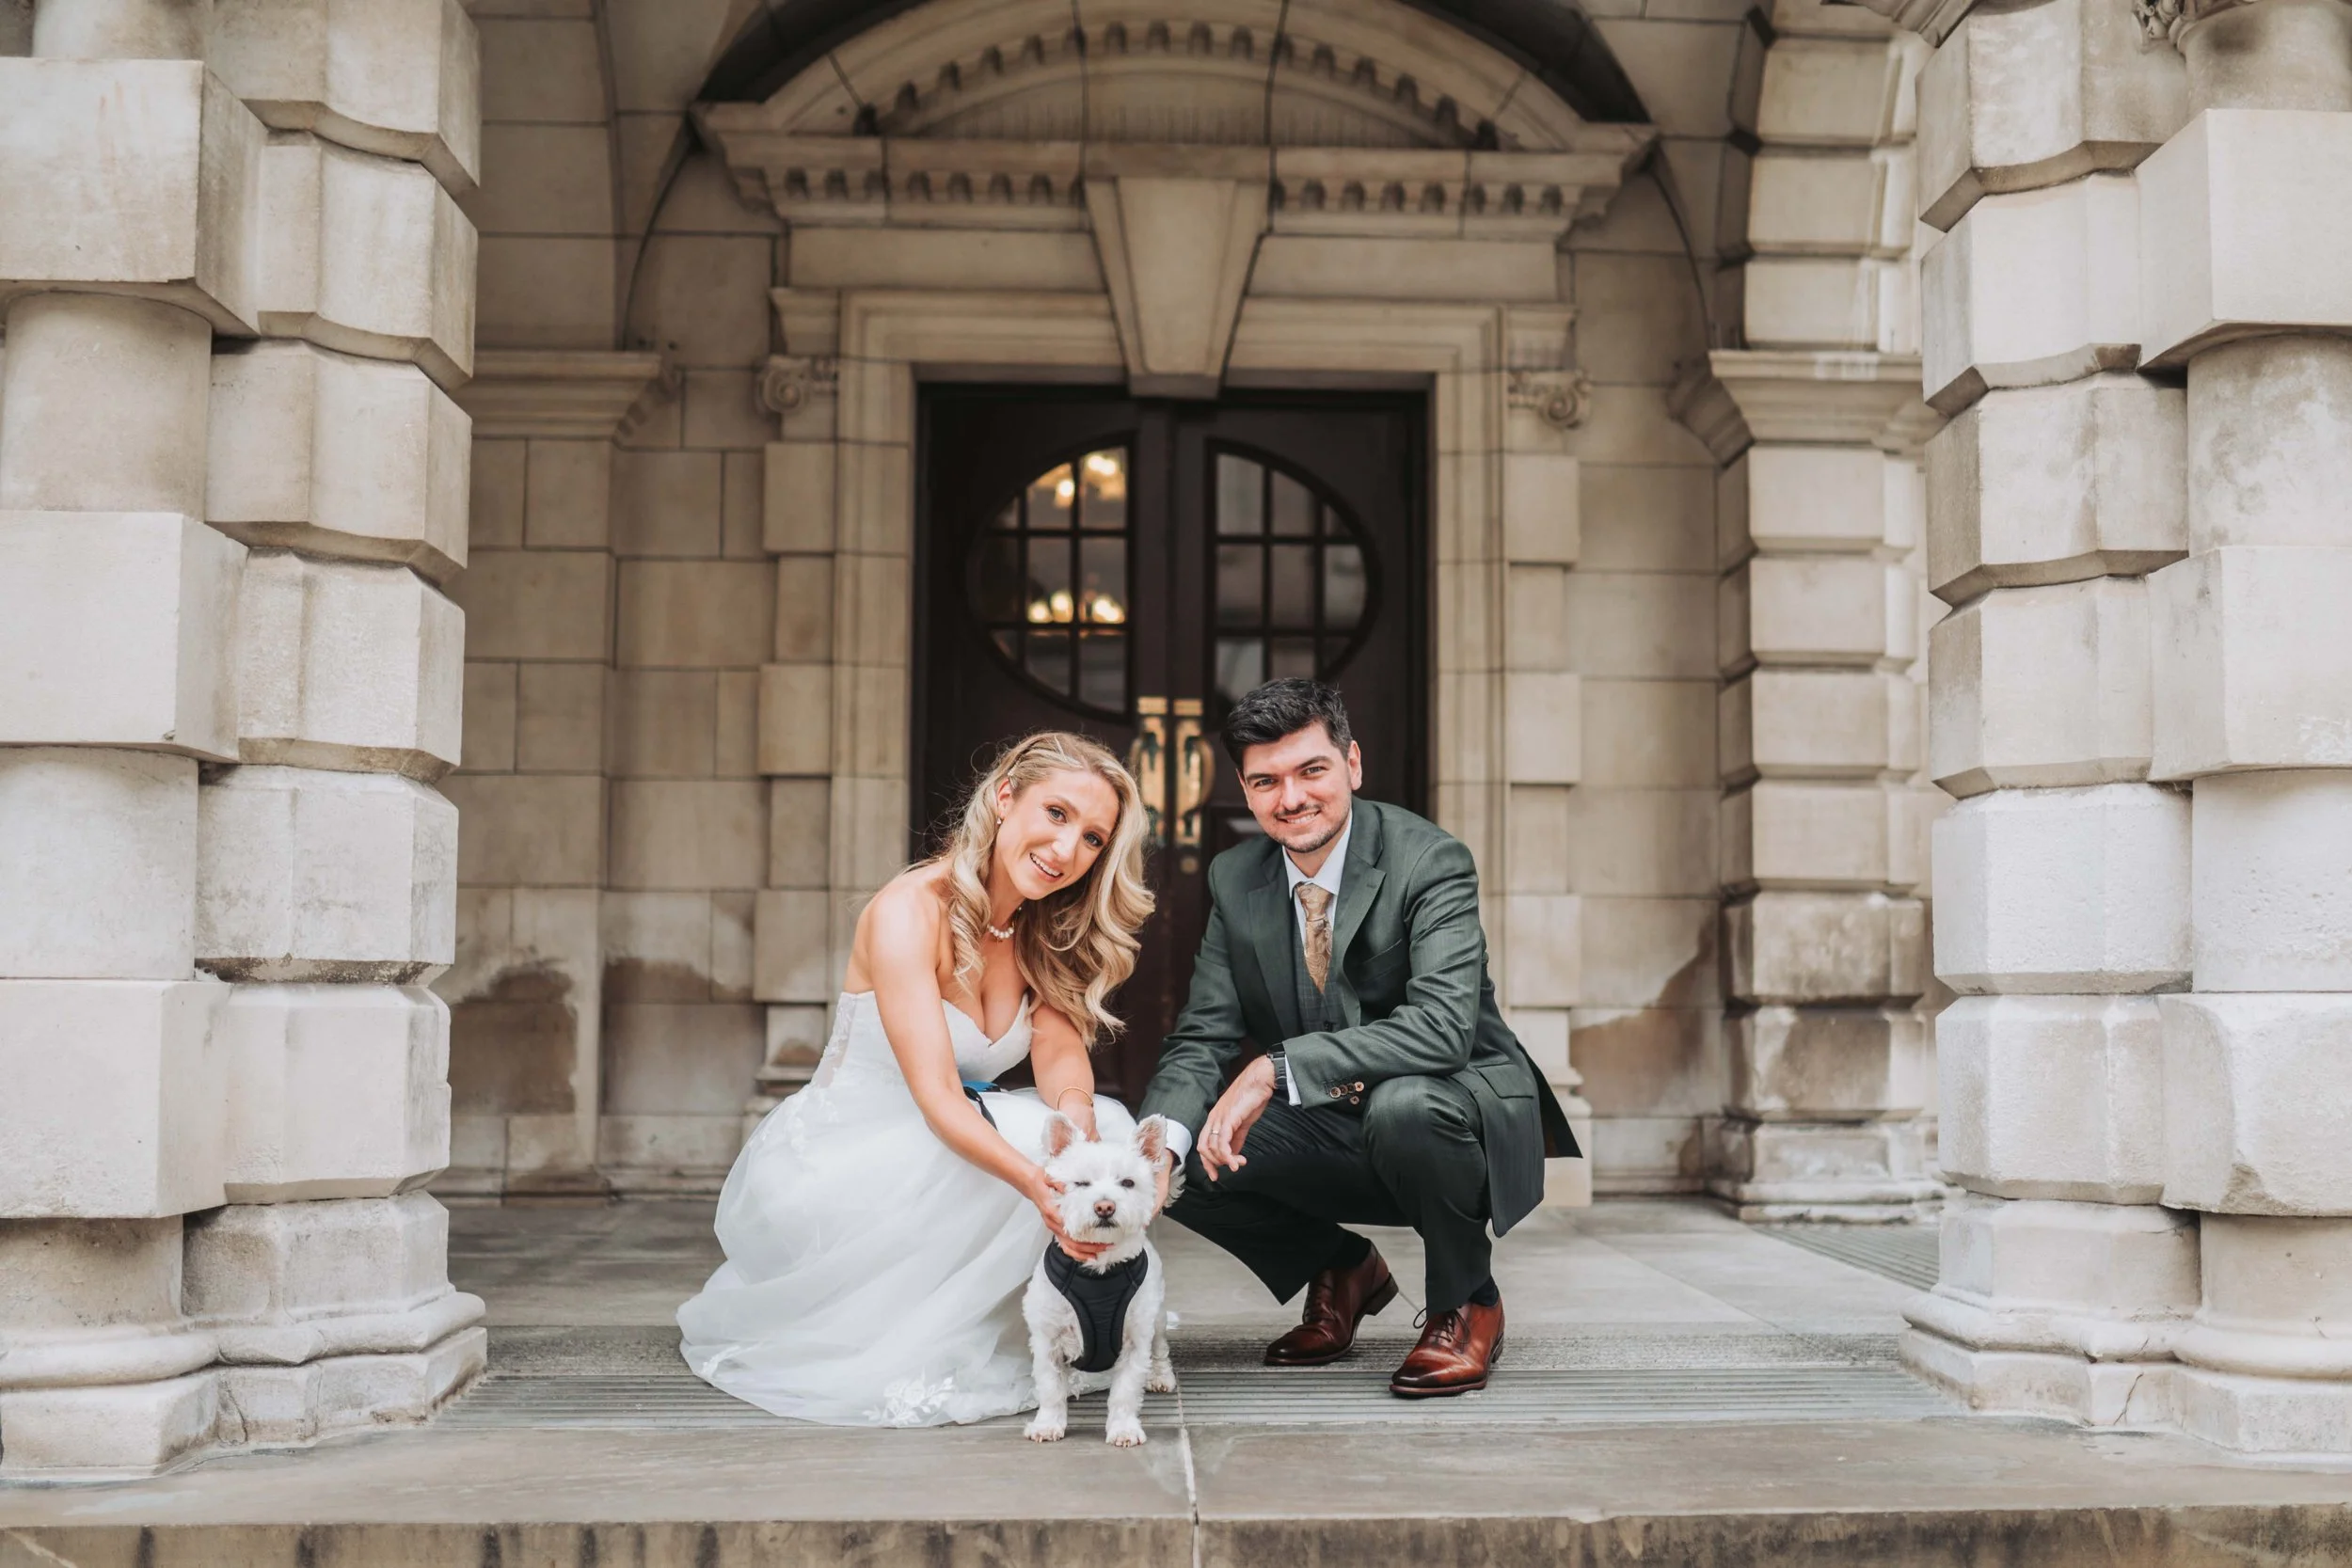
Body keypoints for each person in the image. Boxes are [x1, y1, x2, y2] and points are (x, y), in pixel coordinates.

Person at [677, 731, 1156, 1426]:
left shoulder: (1039, 926)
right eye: (1055, 814)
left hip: (944, 1141)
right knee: (1023, 1150)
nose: (1066, 850)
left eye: (1091, 838)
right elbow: (937, 1099)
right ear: (1004, 798)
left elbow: (1056, 1050)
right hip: (851, 1156)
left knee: (1106, 1127)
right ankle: (927, 1328)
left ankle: (1076, 1317)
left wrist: (1079, 1124)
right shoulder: (909, 909)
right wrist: (1039, 1184)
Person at [1140, 678, 1578, 1398]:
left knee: (1404, 1105)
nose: (1291, 797)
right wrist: (1155, 1141)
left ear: (1353, 764)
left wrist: (1274, 1069)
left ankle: (1468, 1300)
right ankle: (1342, 1266)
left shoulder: (1430, 860)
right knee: (1185, 1152)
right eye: (1265, 781)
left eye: (1311, 770)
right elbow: (1202, 1034)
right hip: (1334, 1121)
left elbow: (1442, 1028)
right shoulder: (1233, 876)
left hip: (1449, 1116)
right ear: (1247, 792)